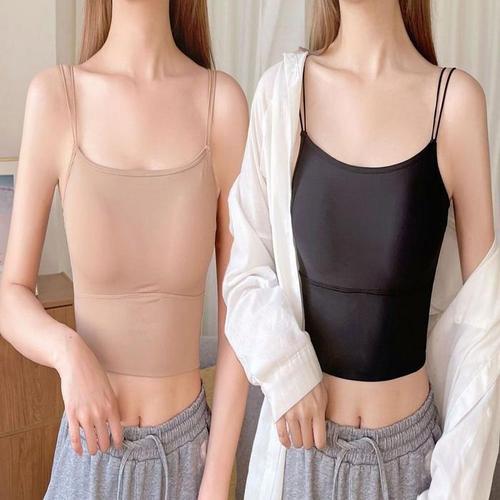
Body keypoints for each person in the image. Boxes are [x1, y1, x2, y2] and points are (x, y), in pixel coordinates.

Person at [223, 0, 498, 499]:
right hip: (300, 459)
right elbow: (246, 273)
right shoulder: (281, 95)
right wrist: (287, 368)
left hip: (410, 468)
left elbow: (485, 334)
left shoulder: (455, 102)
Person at [0, 1, 249, 498]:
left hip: (187, 461)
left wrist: (216, 479)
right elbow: (11, 294)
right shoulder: (56, 98)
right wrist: (68, 353)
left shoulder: (221, 105)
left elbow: (240, 313)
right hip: (88, 457)